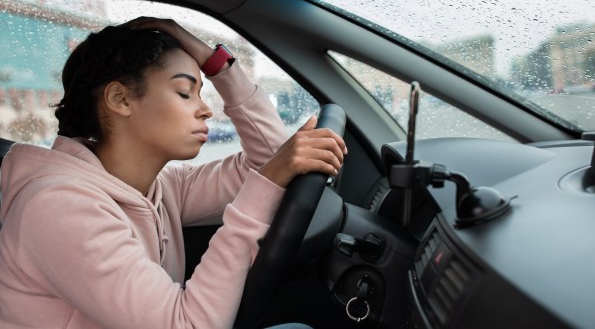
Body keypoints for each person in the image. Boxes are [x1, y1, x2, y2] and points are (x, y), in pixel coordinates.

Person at [0, 17, 346, 328]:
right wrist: (264, 186)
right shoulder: (59, 208)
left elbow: (275, 158)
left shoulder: (160, 187)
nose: (206, 110)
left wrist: (218, 65)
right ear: (121, 100)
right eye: (184, 92)